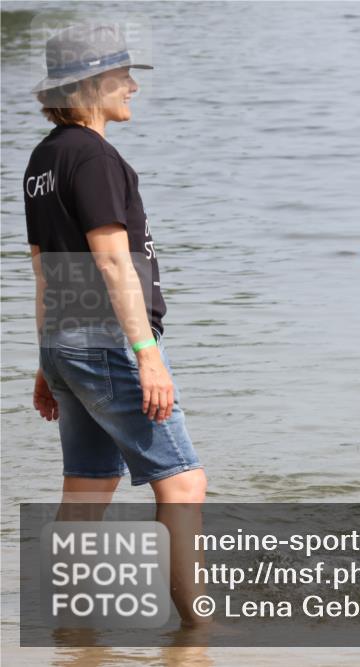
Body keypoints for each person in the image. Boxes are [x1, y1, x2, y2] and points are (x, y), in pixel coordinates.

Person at [24, 24, 208, 626]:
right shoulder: (95, 155)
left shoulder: (44, 158)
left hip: (68, 341)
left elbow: (44, 269)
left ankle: (69, 623)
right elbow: (110, 260)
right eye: (121, 77)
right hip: (109, 342)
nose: (131, 86)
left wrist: (47, 358)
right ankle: (197, 625)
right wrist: (146, 353)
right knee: (183, 484)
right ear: (90, 85)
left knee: (87, 484)